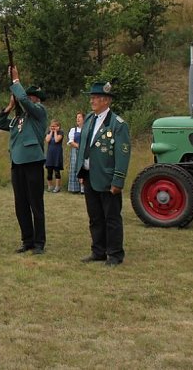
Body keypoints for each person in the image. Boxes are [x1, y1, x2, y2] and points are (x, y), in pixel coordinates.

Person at [77, 82, 131, 267]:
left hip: (107, 179)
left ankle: (115, 254)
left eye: (96, 97)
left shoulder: (117, 124)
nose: (92, 100)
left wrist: (118, 180)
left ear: (106, 100)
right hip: (91, 176)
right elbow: (85, 149)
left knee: (112, 218)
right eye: (91, 97)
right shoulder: (90, 119)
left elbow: (122, 154)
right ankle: (98, 251)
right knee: (95, 217)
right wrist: (81, 172)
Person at [0, 68, 48, 254]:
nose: (24, 99)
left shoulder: (39, 112)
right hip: (17, 163)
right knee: (21, 204)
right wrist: (9, 107)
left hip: (32, 162)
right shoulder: (19, 118)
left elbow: (25, 101)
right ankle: (27, 240)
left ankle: (39, 242)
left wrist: (16, 81)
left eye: (29, 97)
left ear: (35, 98)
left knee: (36, 204)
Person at [66, 112, 85, 194]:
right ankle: (74, 188)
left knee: (83, 168)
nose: (78, 119)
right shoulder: (73, 130)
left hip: (85, 151)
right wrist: (79, 147)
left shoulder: (87, 129)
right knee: (74, 168)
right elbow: (71, 141)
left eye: (80, 117)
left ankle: (83, 189)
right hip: (75, 150)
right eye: (77, 117)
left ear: (84, 119)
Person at [45, 120, 64, 193]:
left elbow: (56, 140)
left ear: (58, 127)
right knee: (49, 171)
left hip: (57, 154)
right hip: (50, 154)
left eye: (54, 126)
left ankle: (57, 187)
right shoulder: (49, 132)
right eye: (51, 126)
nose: (53, 127)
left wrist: (55, 132)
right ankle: (50, 186)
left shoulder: (61, 133)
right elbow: (47, 140)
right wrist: (51, 132)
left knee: (57, 171)